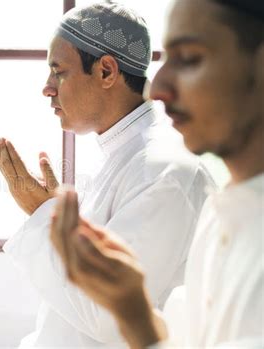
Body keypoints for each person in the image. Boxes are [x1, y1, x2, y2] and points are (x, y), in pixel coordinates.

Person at [0, 2, 214, 347]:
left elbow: (108, 318)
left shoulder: (164, 171)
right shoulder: (123, 157)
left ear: (106, 71)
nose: (47, 88)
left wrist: (42, 216)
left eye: (58, 71)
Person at [50, 0, 264, 347]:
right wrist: (131, 308)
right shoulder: (222, 216)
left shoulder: (167, 172)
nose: (158, 87)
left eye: (191, 58)